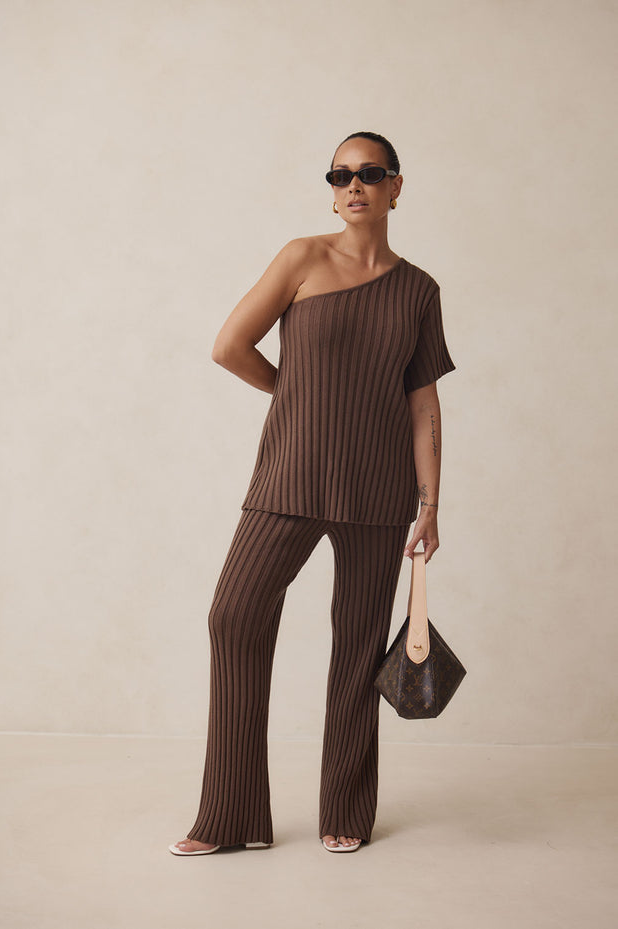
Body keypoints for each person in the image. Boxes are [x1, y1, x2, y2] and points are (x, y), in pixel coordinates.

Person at [169, 130, 456, 856]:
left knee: (359, 647)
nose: (353, 185)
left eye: (370, 173)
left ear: (396, 187)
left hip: (379, 488)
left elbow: (423, 403)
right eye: (339, 175)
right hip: (290, 474)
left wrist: (430, 504)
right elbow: (229, 346)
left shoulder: (419, 291)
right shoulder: (301, 258)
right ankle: (231, 816)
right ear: (332, 191)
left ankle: (347, 811)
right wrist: (294, 396)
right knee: (234, 616)